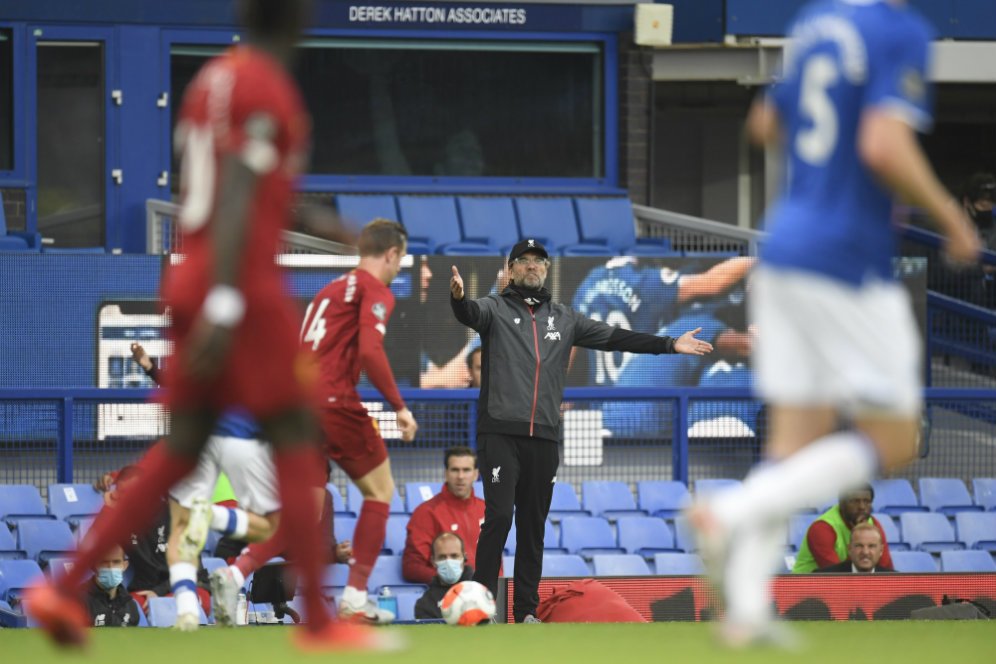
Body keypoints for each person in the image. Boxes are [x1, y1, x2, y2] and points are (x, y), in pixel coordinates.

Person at [27, 0, 388, 651]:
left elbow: (240, 181)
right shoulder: (269, 88)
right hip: (239, 285)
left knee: (182, 452)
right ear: (297, 17)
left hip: (194, 276)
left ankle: (64, 587)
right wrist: (227, 304)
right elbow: (236, 200)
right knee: (301, 439)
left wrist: (321, 224)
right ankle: (318, 625)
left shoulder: (214, 80)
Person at [688, 0, 980, 647]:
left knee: (793, 445)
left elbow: (764, 122)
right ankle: (731, 512)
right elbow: (883, 141)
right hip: (849, 258)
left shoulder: (817, 23)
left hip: (785, 248)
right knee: (896, 438)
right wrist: (952, 219)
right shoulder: (900, 31)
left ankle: (744, 611)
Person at [450, 238, 713, 623]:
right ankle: (480, 608)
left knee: (533, 526)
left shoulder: (565, 318)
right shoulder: (494, 308)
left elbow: (619, 338)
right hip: (500, 435)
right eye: (524, 261)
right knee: (501, 516)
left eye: (539, 261)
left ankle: (525, 612)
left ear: (547, 269)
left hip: (544, 437)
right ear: (510, 269)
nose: (532, 267)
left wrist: (672, 344)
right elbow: (470, 313)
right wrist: (459, 300)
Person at [301, 217, 418, 623]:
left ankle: (237, 570)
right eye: (400, 258)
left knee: (306, 511)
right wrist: (399, 406)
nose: (399, 266)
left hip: (300, 406)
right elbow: (370, 350)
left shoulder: (328, 291)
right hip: (335, 402)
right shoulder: (375, 290)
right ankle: (354, 597)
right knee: (381, 490)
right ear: (391, 253)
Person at [130, 341, 280, 629]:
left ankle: (188, 609)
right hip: (232, 465)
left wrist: (149, 366)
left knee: (182, 531)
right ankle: (214, 528)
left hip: (198, 453)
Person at [402, 446, 485, 584]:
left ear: (476, 474)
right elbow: (411, 567)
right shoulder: (427, 512)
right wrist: (450, 580)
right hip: (445, 597)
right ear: (446, 473)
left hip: (487, 595)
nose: (460, 476)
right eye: (455, 470)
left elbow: (495, 562)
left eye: (466, 470)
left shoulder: (487, 510)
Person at [793, 484, 894, 574]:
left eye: (867, 502)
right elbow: (836, 574)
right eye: (855, 501)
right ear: (841, 503)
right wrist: (856, 533)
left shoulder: (874, 525)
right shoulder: (822, 528)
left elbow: (885, 569)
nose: (862, 507)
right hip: (807, 586)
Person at [414, 532, 475, 620]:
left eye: (454, 556)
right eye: (442, 557)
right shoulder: (425, 605)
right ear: (433, 561)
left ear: (464, 557)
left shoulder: (480, 589)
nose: (448, 562)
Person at [82, 545, 143, 627]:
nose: (110, 567)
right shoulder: (78, 600)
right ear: (94, 566)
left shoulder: (130, 604)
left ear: (125, 565)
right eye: (104, 562)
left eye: (116, 562)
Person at [814, 523, 893, 573]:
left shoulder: (894, 582)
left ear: (881, 550)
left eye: (871, 546)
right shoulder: (823, 578)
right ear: (849, 549)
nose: (865, 552)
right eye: (859, 546)